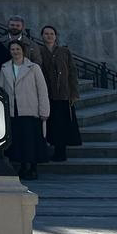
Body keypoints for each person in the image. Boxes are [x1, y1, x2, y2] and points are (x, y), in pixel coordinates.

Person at [0, 39, 50, 180]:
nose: (15, 52)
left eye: (18, 49)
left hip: (30, 109)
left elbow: (42, 90)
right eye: (13, 49)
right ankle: (22, 166)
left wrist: (44, 110)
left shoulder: (33, 67)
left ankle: (33, 167)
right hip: (13, 110)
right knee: (19, 140)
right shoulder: (5, 68)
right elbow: (1, 89)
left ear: (23, 51)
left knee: (31, 140)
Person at [36, 25, 82, 161]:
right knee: (49, 124)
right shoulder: (39, 51)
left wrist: (74, 93)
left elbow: (72, 72)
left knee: (61, 125)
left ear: (55, 36)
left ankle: (60, 152)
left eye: (51, 33)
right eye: (46, 33)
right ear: (42, 36)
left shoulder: (64, 51)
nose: (49, 36)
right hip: (46, 94)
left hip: (63, 95)